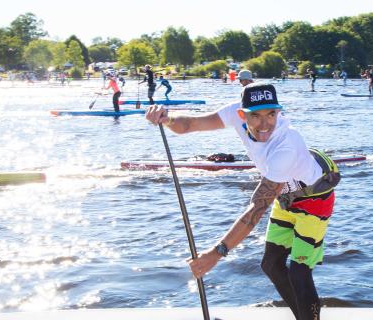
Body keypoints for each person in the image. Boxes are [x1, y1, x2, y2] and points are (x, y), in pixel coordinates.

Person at [145, 83, 340, 320]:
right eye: (255, 116)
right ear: (241, 114)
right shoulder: (233, 113)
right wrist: (166, 118)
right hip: (285, 196)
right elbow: (189, 124)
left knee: (299, 272)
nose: (265, 124)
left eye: (271, 114)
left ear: (279, 112)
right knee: (270, 265)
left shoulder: (285, 147)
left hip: (313, 199)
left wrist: (215, 254)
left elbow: (255, 210)